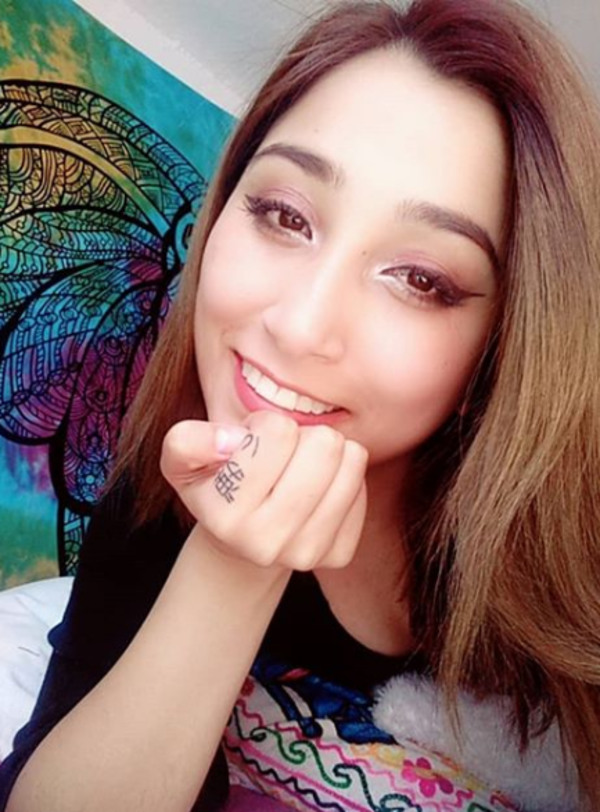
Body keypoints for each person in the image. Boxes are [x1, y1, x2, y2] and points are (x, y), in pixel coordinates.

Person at [2, 0, 600, 809]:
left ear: (502, 350)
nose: (300, 325)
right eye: (284, 216)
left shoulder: (575, 552)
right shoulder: (155, 493)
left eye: (421, 279)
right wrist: (232, 564)